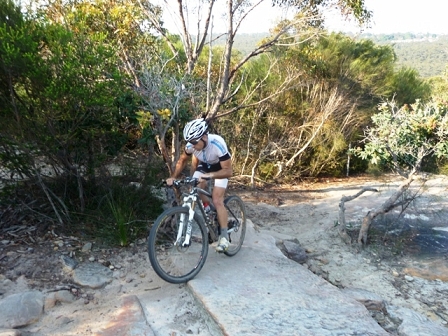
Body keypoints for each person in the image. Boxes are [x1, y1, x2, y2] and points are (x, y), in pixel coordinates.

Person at [166, 118, 233, 252]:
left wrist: (210, 176)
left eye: (195, 142)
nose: (192, 145)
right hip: (205, 165)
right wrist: (173, 177)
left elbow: (228, 171)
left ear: (204, 137)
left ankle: (224, 236)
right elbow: (182, 160)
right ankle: (209, 211)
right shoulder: (192, 145)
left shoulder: (217, 143)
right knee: (194, 189)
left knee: (217, 199)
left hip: (221, 168)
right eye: (190, 142)